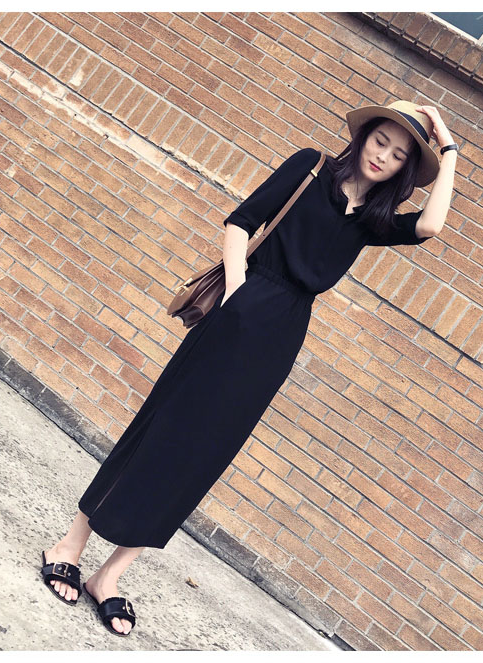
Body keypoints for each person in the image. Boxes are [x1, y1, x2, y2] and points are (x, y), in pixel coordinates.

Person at [39, 100, 458, 636]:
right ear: (364, 135)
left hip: (282, 335)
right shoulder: (311, 167)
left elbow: (431, 225)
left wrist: (447, 148)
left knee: (203, 454)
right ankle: (69, 545)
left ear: (405, 170)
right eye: (382, 141)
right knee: (161, 427)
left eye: (399, 155)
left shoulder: (372, 221)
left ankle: (110, 575)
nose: (384, 156)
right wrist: (238, 295)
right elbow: (241, 221)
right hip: (242, 306)